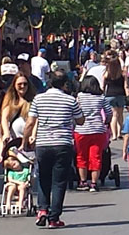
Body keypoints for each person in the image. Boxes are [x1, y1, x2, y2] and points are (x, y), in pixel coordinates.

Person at [21, 70, 85, 228]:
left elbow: (30, 123)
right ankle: (54, 218)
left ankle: (42, 210)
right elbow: (81, 120)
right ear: (65, 84)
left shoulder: (38, 99)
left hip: (43, 144)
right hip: (62, 143)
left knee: (44, 178)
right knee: (59, 181)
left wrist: (24, 143)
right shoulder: (70, 100)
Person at [74, 76, 112, 192]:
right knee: (96, 157)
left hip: (81, 130)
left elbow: (74, 111)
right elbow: (109, 113)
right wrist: (105, 123)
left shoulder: (79, 97)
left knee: (81, 156)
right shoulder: (101, 98)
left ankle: (83, 181)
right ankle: (94, 183)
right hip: (98, 130)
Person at [0, 72, 37, 157]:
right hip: (14, 141)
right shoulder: (10, 101)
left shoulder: (33, 101)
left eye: (25, 84)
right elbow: (4, 118)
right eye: (19, 84)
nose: (22, 86)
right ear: (14, 86)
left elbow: (36, 120)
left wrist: (33, 135)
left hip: (30, 142)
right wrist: (6, 132)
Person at [103, 51, 129, 141]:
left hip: (110, 95)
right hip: (120, 94)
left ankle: (113, 134)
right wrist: (128, 96)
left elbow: (103, 86)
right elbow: (126, 86)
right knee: (120, 115)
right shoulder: (123, 74)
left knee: (114, 115)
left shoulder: (107, 74)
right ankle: (119, 132)